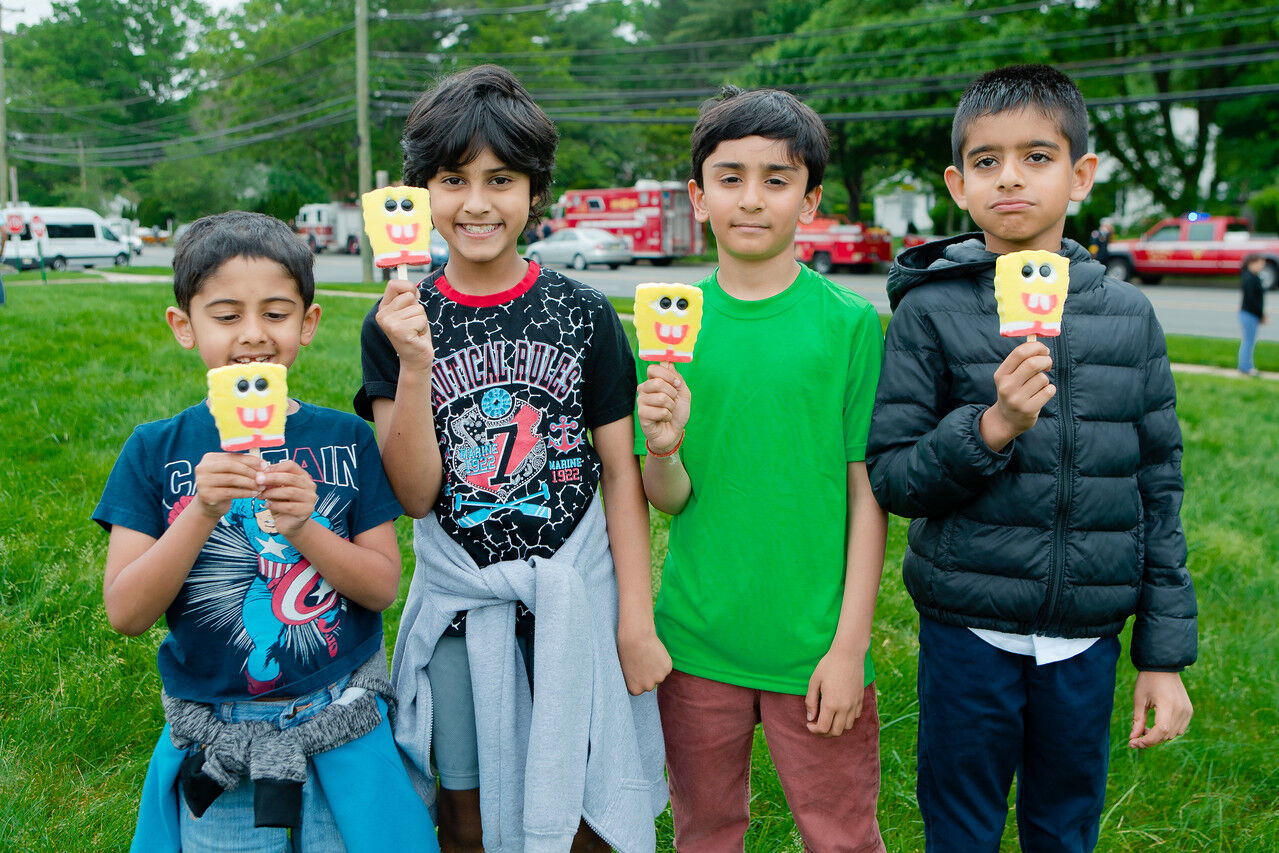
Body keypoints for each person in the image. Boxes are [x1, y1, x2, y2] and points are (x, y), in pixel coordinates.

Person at [866, 64, 1197, 852]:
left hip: (1085, 637)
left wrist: (1161, 657)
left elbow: (1156, 488)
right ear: (957, 184)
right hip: (966, 630)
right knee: (961, 825)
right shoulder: (930, 311)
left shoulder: (1128, 316)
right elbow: (893, 476)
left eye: (1037, 156)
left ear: (1080, 175)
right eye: (986, 161)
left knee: (1063, 826)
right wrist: (990, 428)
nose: (1009, 177)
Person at [355, 64, 667, 853]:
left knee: (590, 809)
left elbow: (620, 475)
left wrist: (635, 620)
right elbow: (415, 494)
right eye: (452, 179)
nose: (477, 202)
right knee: (467, 814)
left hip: (578, 597)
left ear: (535, 190)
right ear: (421, 192)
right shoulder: (396, 321)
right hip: (462, 606)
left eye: (500, 179)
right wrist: (415, 362)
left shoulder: (584, 312)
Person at [93, 211, 438, 851]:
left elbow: (381, 587)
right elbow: (126, 612)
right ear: (184, 326)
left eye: (276, 313)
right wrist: (200, 512)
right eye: (226, 316)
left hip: (340, 723)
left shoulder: (347, 439)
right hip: (220, 738)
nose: (253, 334)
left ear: (308, 323)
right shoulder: (153, 451)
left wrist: (303, 528)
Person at [635, 86, 888, 852]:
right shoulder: (669, 324)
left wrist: (847, 648)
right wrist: (663, 446)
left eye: (775, 180)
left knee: (841, 835)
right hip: (695, 642)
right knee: (704, 830)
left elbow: (867, 496)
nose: (751, 198)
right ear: (697, 196)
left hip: (813, 646)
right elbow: (667, 498)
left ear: (808, 201)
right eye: (730, 177)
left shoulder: (848, 325)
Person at [1239, 254, 1267, 376]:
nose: (1262, 266)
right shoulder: (1250, 278)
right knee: (1248, 341)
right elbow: (1252, 300)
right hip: (1249, 314)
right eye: (1260, 263)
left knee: (1249, 341)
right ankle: (1245, 367)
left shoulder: (1253, 276)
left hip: (1251, 313)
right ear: (1252, 263)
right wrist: (1261, 315)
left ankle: (1246, 366)